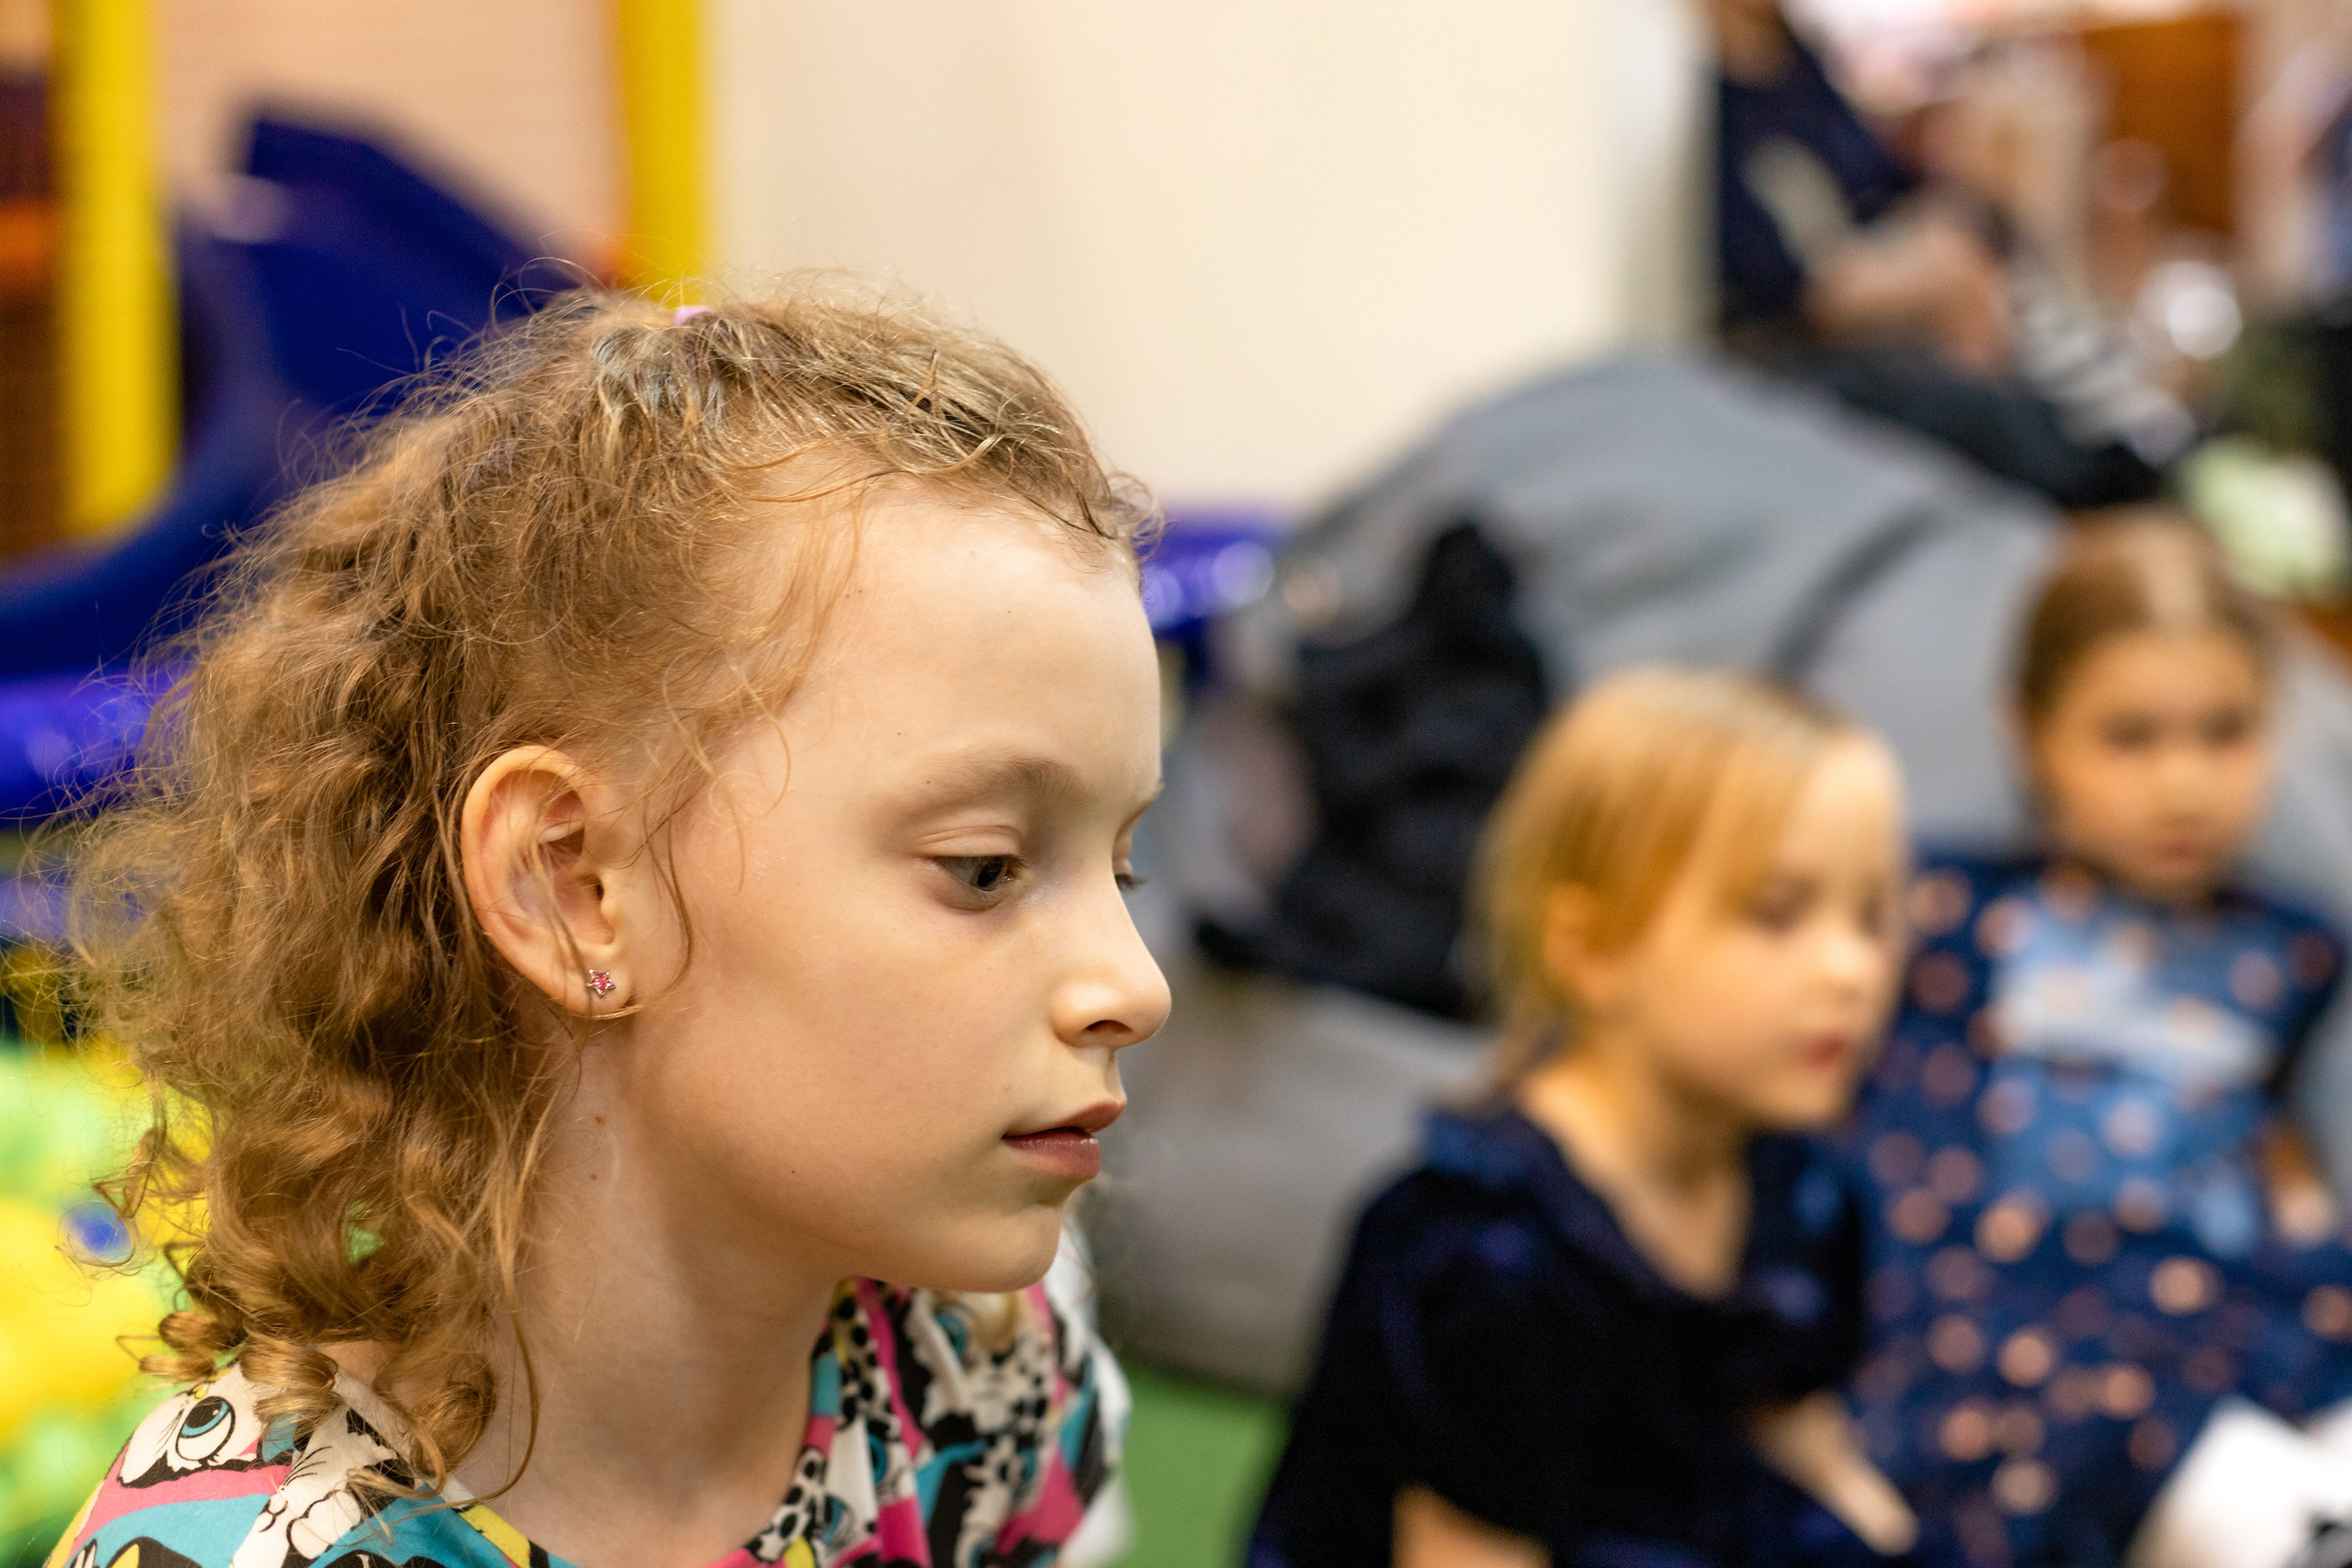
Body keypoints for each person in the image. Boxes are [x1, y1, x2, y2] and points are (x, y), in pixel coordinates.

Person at [44, 288, 1169, 1568]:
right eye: (985, 868)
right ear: (574, 885)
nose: (1135, 984)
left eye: (1122, 867)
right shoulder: (251, 1549)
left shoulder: (978, 1372)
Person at [1250, 667, 1936, 1568]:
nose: (1851, 971)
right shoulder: (1486, 1253)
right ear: (1594, 947)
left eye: (1875, 918)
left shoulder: (1802, 1190)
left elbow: (1800, 1435)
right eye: (1777, 914)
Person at [1848, 513, 2352, 1568]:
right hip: (2012, 1352)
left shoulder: (2292, 948)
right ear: (2028, 731)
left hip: (2236, 1329)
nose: (2183, 784)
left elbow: (2278, 1162)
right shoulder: (1943, 915)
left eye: (2224, 732)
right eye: (2129, 738)